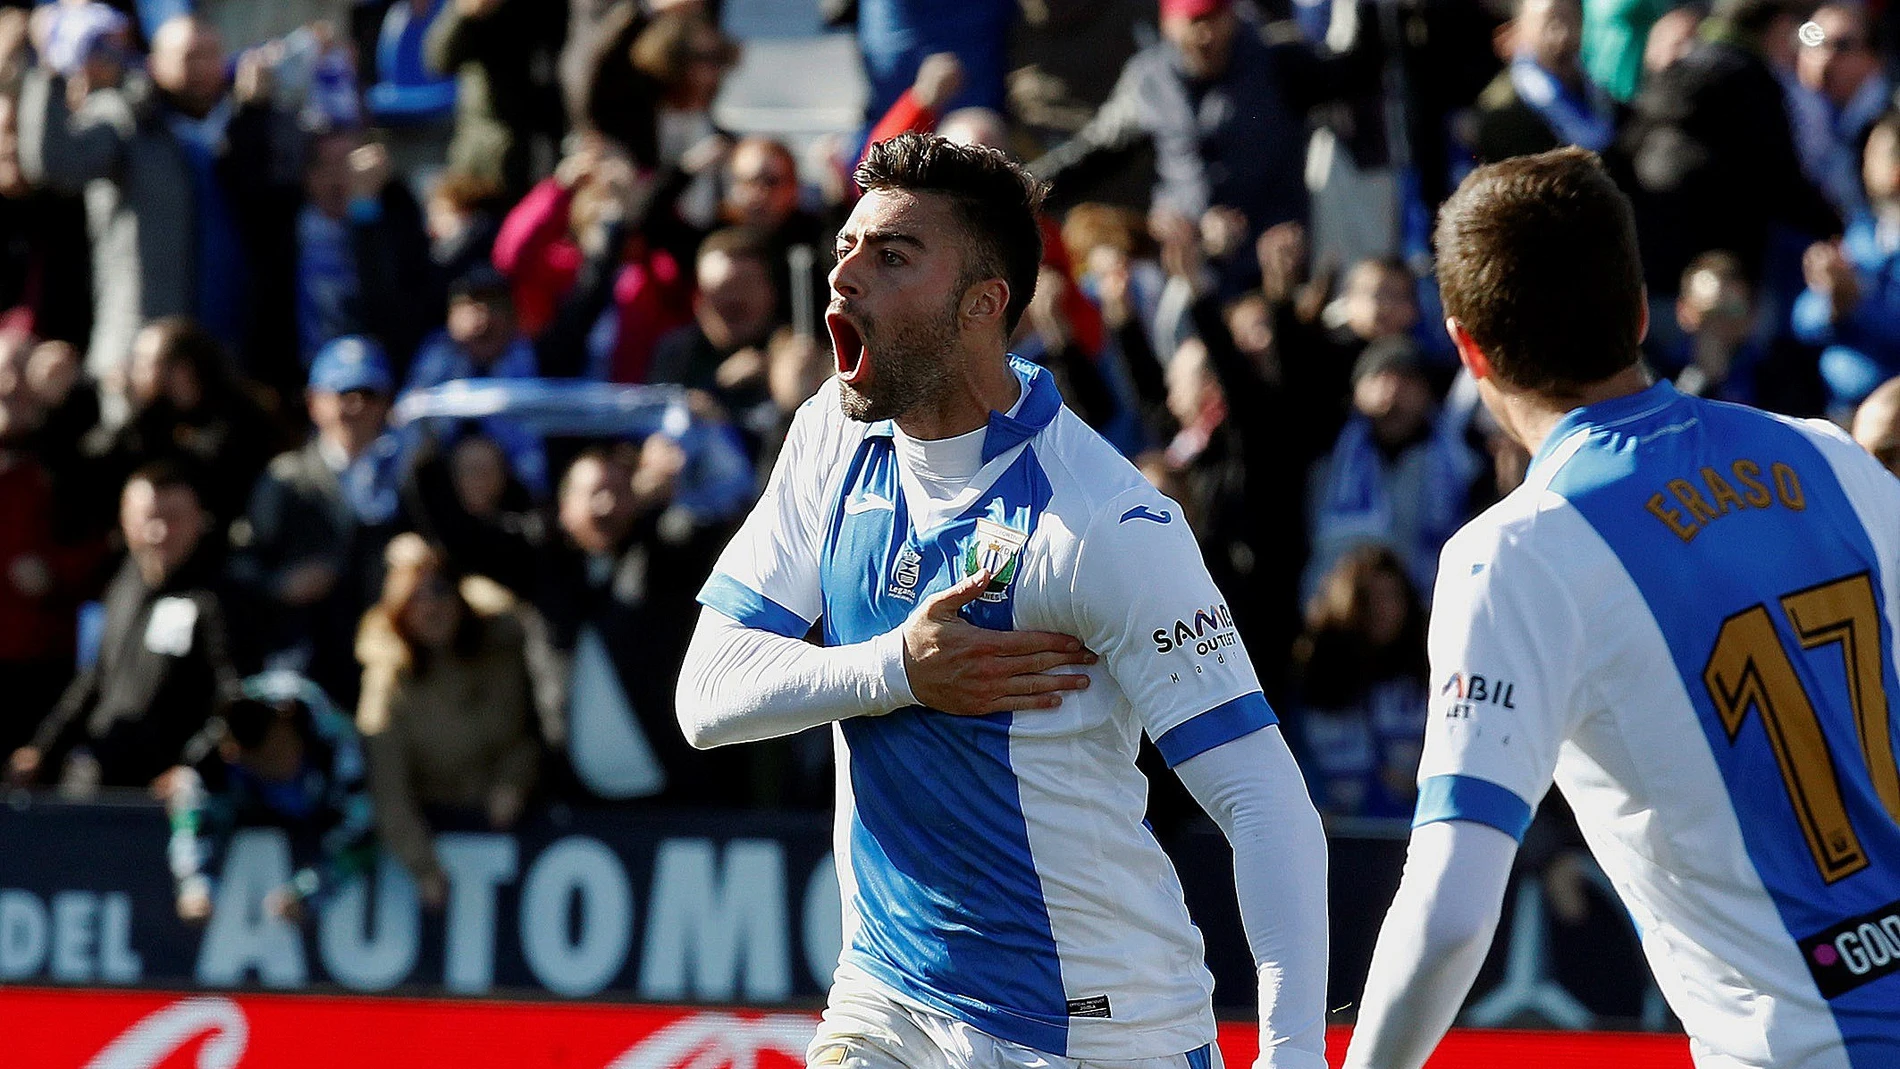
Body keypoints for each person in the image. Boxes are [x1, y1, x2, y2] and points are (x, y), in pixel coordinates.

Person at [675, 134, 1327, 1068]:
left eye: (891, 256)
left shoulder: (1103, 519)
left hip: (1100, 1028)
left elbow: (1264, 800)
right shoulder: (830, 434)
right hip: (889, 995)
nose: (843, 277)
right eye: (847, 247)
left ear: (983, 306)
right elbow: (707, 695)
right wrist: (899, 668)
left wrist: (1293, 1052)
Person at [1343, 147, 1900, 1069]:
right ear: (1641, 311)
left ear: (1466, 344)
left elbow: (1448, 915)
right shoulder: (1829, 458)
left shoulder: (1514, 555)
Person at [9, 463, 238, 792]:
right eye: (147, 518)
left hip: (169, 790)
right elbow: (94, 677)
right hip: (101, 771)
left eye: (173, 518)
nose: (158, 532)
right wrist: (41, 750)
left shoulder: (218, 598)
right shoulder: (121, 584)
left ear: (198, 521)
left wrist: (195, 770)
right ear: (125, 520)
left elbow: (232, 695)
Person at [355, 533, 543, 908]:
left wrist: (514, 782)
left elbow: (526, 734)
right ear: (398, 610)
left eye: (440, 591)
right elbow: (388, 790)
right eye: (414, 598)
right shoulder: (386, 679)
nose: (431, 607)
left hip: (516, 827)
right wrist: (423, 866)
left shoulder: (499, 646)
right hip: (437, 832)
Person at [229, 335, 410, 706]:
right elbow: (239, 567)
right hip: (306, 666)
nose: (355, 407)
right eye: (342, 395)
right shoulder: (287, 481)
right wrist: (279, 587)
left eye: (368, 394)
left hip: (395, 660)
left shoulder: (409, 478)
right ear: (315, 403)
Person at [163, 670, 377, 925]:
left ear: (288, 727)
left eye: (274, 753)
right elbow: (190, 819)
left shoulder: (338, 745)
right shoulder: (215, 755)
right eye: (255, 760)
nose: (270, 766)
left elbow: (364, 833)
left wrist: (311, 888)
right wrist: (195, 885)